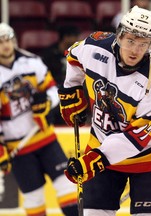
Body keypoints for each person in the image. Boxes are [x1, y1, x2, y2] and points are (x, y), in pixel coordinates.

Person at [58, 5, 151, 216]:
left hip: (149, 159)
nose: (135, 50)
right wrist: (71, 89)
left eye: (143, 43)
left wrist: (95, 159)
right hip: (102, 147)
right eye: (130, 40)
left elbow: (136, 137)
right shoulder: (95, 46)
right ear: (120, 35)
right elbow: (72, 56)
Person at [0, 23, 78, 215]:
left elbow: (53, 90)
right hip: (18, 147)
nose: (6, 45)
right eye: (1, 42)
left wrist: (45, 102)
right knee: (34, 199)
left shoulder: (32, 61)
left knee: (67, 187)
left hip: (45, 139)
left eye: (8, 40)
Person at [41, 25, 80, 125]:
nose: (77, 39)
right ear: (65, 37)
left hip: (73, 88)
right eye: (74, 36)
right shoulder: (49, 54)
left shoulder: (78, 52)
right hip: (54, 89)